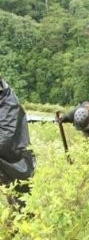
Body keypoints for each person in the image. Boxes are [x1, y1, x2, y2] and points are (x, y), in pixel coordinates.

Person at [0, 78, 36, 210]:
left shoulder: (7, 103)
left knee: (21, 198)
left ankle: (23, 223)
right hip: (8, 161)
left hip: (17, 159)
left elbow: (6, 138)